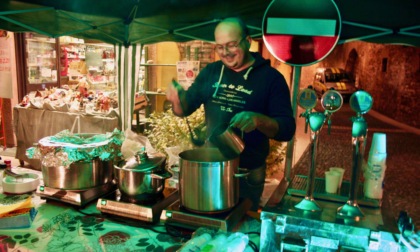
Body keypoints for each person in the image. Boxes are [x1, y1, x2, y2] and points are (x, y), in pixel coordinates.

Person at [166, 17, 296, 211]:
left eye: (231, 45)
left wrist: (259, 120)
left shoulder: (271, 79)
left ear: (248, 40)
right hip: (211, 168)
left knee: (242, 225)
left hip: (247, 173)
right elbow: (185, 108)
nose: (225, 53)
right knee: (208, 221)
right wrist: (177, 100)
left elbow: (287, 129)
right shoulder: (211, 71)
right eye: (219, 47)